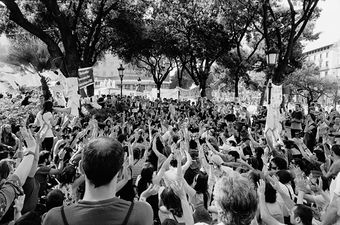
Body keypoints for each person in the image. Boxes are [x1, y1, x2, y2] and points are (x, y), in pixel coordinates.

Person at [43, 137, 153, 225]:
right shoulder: (141, 212)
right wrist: (143, 197)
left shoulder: (55, 218)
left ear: (81, 168)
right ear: (120, 173)